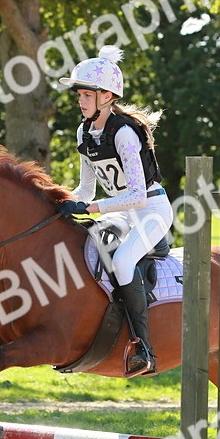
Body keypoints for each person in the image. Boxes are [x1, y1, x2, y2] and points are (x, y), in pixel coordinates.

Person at [57, 46, 171, 377]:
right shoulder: (84, 132)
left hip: (151, 210)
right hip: (122, 213)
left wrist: (90, 207)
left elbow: (136, 195)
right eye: (79, 93)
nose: (81, 100)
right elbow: (85, 191)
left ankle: (143, 348)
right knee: (87, 248)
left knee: (121, 261)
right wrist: (56, 200)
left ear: (107, 95)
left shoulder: (123, 132)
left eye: (87, 94)